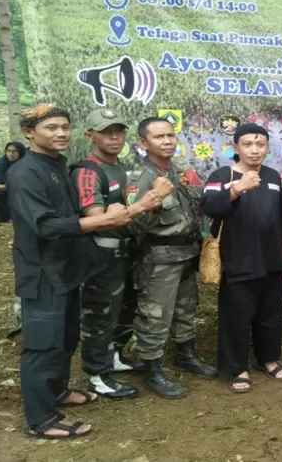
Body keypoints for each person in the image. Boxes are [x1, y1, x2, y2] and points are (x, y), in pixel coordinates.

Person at [7, 104, 130, 439]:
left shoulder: (58, 164)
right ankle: (41, 419)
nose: (61, 133)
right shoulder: (25, 173)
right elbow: (44, 225)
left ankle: (58, 391)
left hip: (66, 268)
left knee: (65, 337)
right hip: (41, 272)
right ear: (29, 133)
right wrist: (102, 221)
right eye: (51, 128)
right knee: (43, 344)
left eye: (64, 127)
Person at [71, 109, 164, 399]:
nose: (114, 137)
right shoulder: (88, 171)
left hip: (125, 253)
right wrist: (143, 204)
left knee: (123, 310)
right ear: (90, 136)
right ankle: (97, 375)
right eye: (105, 132)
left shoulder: (120, 167)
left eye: (119, 131)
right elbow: (98, 219)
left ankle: (113, 357)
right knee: (99, 317)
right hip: (101, 256)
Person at [126, 117, 218, 399]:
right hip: (159, 259)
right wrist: (154, 199)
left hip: (186, 253)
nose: (167, 141)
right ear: (143, 143)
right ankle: (152, 369)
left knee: (186, 309)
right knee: (155, 314)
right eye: (158, 137)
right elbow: (133, 226)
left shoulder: (178, 172)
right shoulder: (140, 178)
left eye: (170, 135)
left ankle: (185, 355)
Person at [201, 123, 282, 392]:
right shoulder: (222, 175)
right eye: (248, 144)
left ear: (267, 148)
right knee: (237, 316)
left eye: (260, 144)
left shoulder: (273, 176)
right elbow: (208, 207)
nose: (254, 150)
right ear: (236, 148)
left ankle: (267, 358)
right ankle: (237, 367)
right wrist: (236, 189)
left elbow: (281, 216)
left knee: (270, 313)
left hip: (271, 257)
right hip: (238, 258)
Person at [0, 141, 26, 223]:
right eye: (8, 151)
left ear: (20, 152)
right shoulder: (2, 163)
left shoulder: (26, 164)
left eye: (14, 151)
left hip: (20, 195)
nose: (11, 154)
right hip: (2, 192)